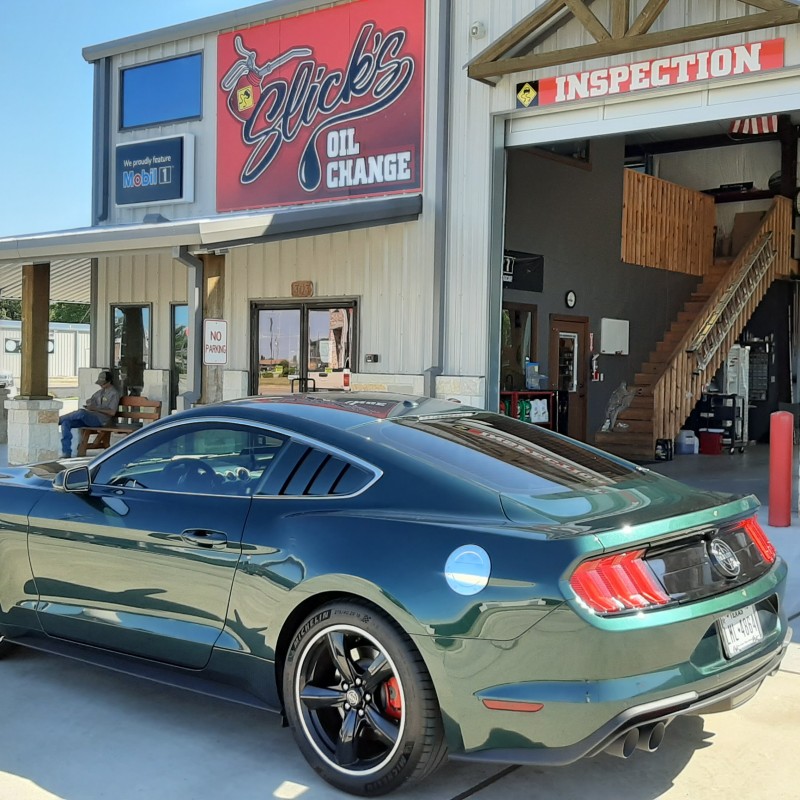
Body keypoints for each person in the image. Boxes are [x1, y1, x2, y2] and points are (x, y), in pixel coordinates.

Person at [59, 370, 121, 458]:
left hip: (102, 420)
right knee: (66, 422)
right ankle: (66, 452)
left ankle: (58, 420)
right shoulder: (100, 392)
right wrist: (89, 403)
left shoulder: (114, 394)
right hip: (91, 417)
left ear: (109, 382)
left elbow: (112, 412)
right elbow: (91, 400)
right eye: (100, 383)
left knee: (81, 412)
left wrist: (95, 408)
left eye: (103, 383)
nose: (101, 385)